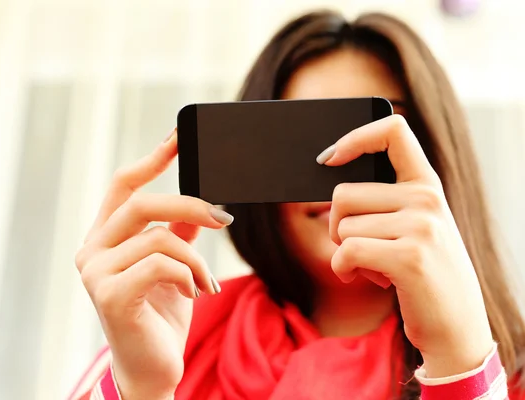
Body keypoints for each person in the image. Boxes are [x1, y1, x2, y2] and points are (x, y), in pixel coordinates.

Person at [69, 10, 525, 400]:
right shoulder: (170, 329)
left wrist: (464, 368)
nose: (338, 177)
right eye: (301, 145)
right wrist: (138, 388)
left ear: (433, 153)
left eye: (370, 136)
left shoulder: (507, 369)